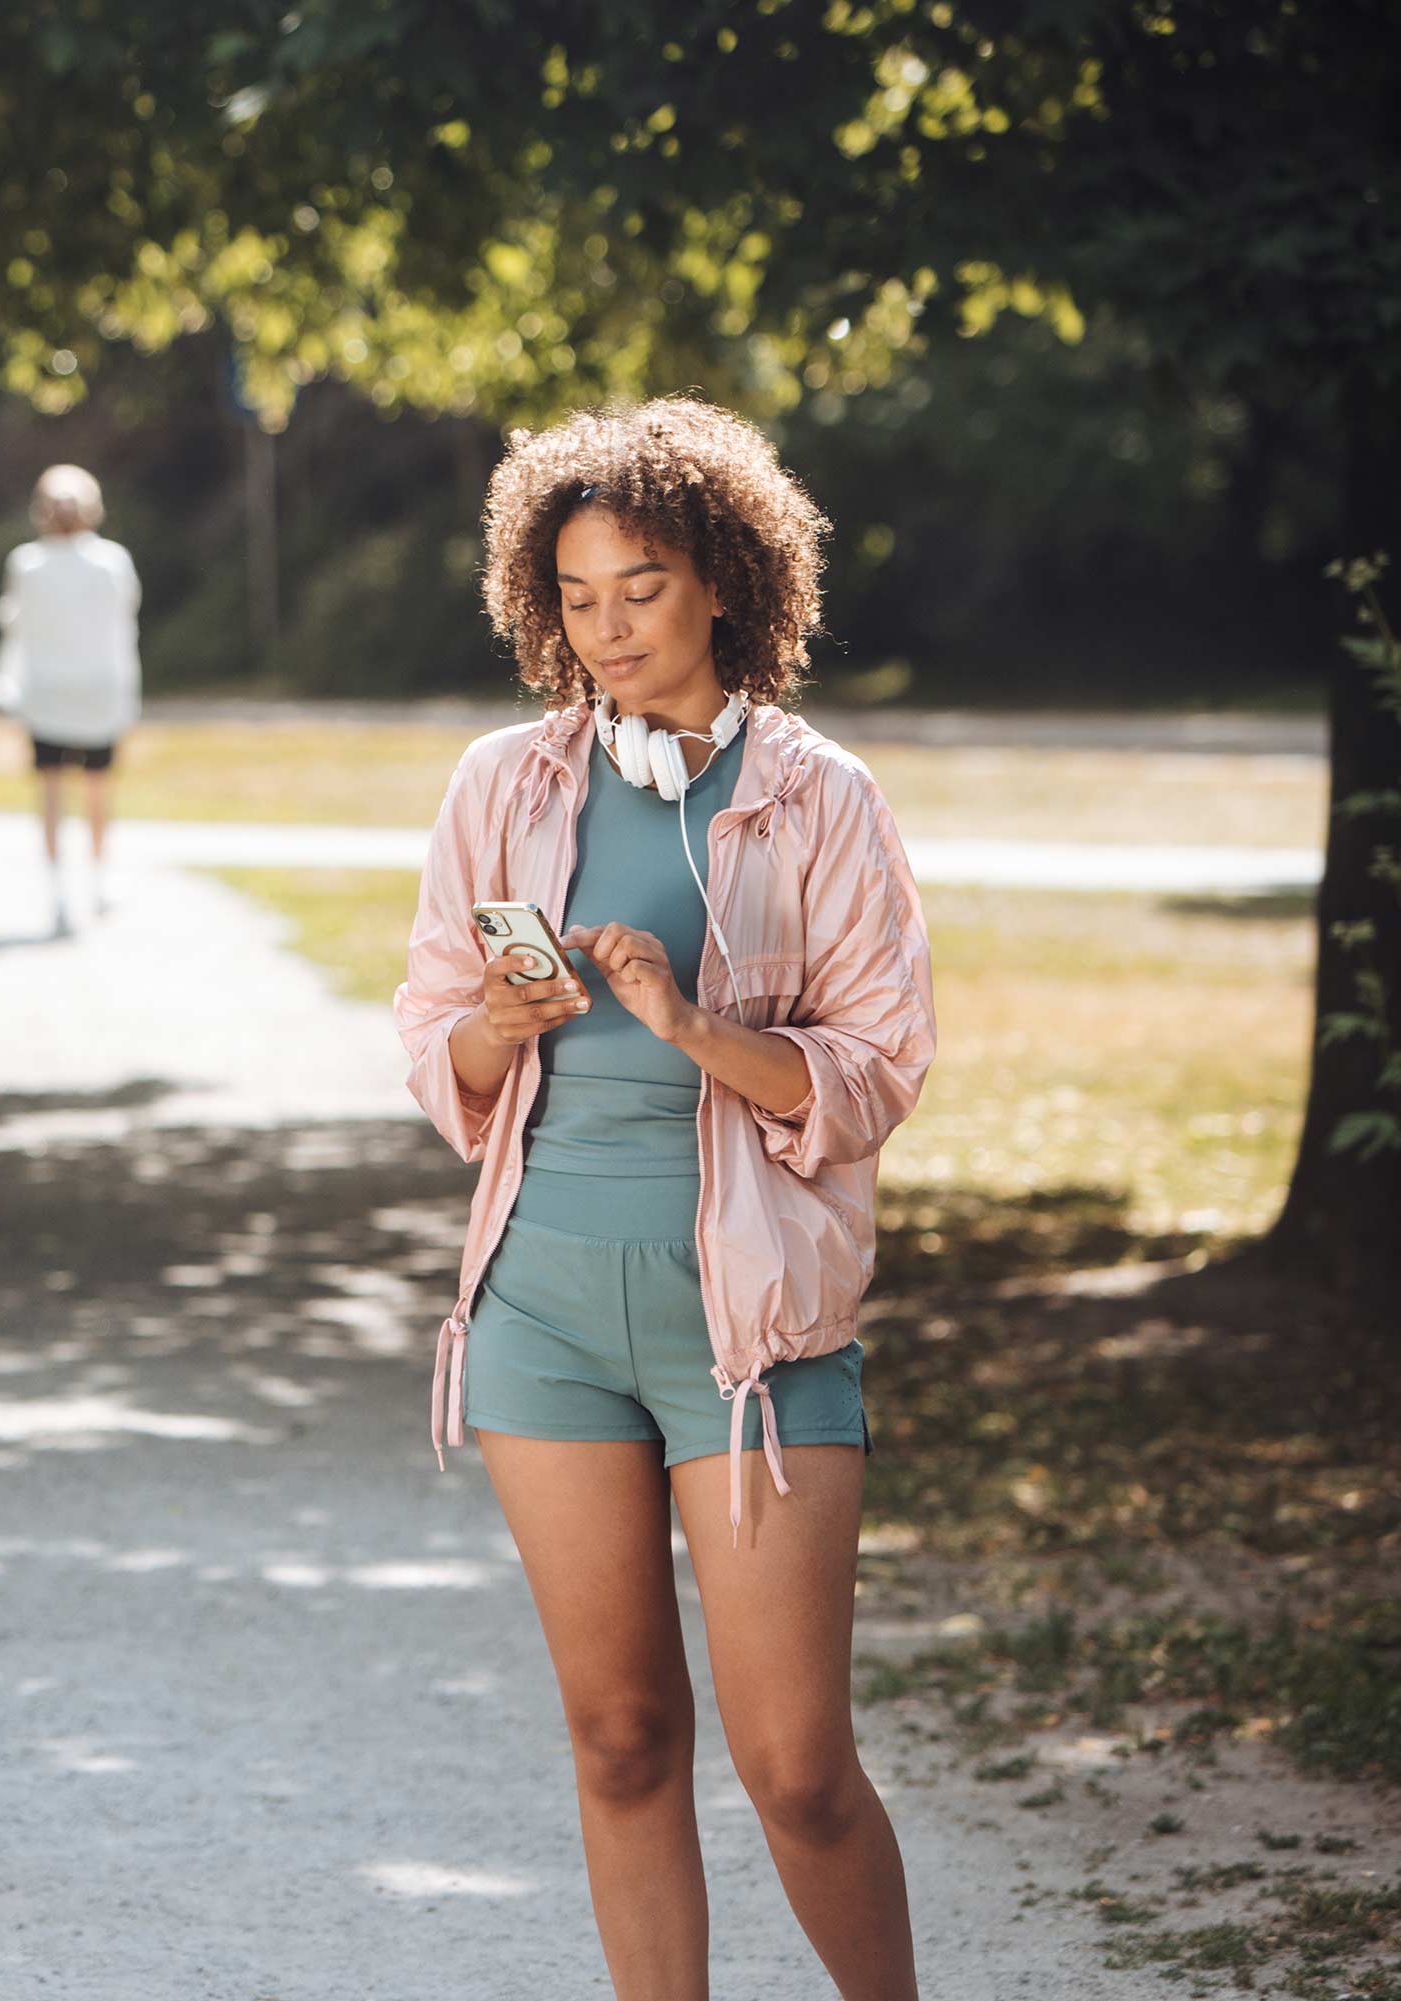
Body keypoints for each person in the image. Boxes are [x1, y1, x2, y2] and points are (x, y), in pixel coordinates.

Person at [395, 396, 937, 1998]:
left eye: (639, 585)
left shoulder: (817, 796)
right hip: (542, 1312)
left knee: (797, 1767)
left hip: (750, 1334)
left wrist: (699, 1030)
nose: (608, 628)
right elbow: (435, 1041)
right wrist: (503, 1022)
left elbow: (878, 1070)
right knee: (621, 1738)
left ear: (719, 578)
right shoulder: (504, 782)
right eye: (574, 595)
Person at [0, 463, 139, 928]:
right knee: (95, 790)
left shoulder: (29, 563)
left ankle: (64, 886)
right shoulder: (109, 561)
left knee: (54, 791)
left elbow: (13, 621)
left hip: (55, 692)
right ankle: (93, 880)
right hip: (92, 691)